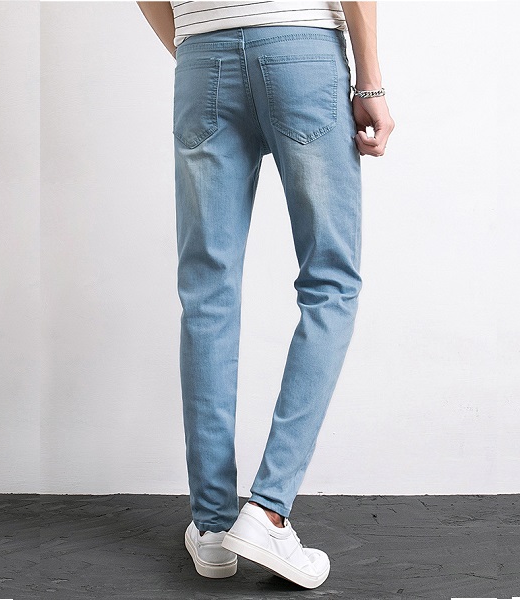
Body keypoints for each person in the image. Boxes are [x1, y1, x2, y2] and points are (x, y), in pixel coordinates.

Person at [137, 0, 394, 589]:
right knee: (330, 281)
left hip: (202, 57)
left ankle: (212, 525)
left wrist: (201, 49)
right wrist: (371, 82)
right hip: (300, 49)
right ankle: (268, 511)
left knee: (207, 293)